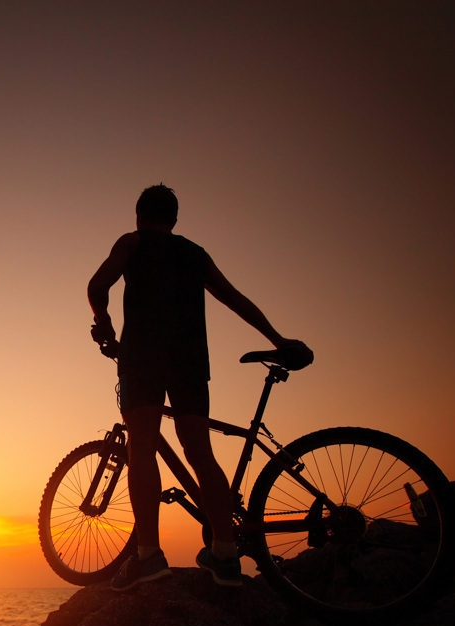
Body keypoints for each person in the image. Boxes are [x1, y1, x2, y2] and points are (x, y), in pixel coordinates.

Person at [87, 184, 311, 590]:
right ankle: (225, 555)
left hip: (143, 359)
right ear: (174, 220)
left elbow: (97, 286)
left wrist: (105, 329)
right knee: (200, 452)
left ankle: (148, 556)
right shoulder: (194, 253)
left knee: (142, 447)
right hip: (190, 362)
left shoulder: (133, 242)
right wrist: (278, 339)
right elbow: (233, 298)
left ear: (139, 215)